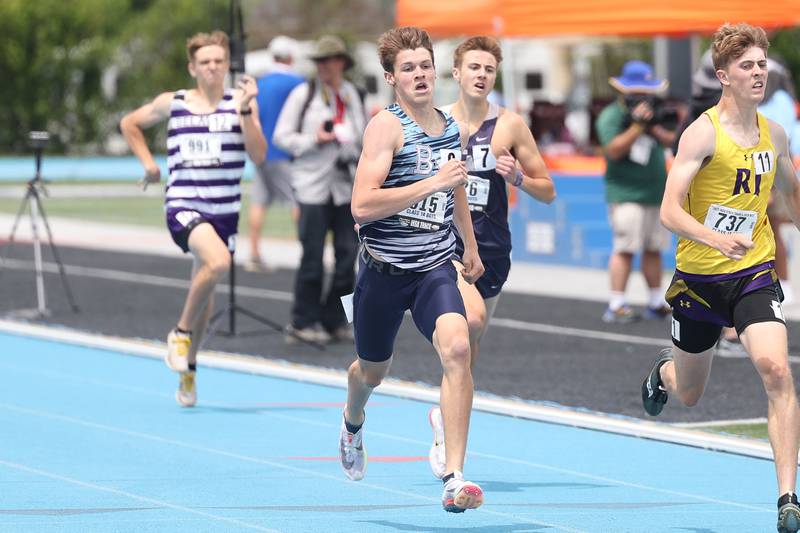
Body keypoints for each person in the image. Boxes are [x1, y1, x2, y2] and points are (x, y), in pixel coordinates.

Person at [640, 23, 800, 532]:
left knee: (776, 369)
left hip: (753, 273)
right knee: (689, 394)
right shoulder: (702, 132)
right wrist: (713, 239)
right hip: (700, 282)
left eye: (761, 65)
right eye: (746, 66)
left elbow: (791, 196)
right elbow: (668, 211)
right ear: (723, 75)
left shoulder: (775, 134)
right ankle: (661, 372)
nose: (757, 74)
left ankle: (787, 499)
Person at [338, 26, 485, 513]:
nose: (419, 74)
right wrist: (428, 184)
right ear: (391, 78)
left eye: (425, 65)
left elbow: (456, 185)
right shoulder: (386, 126)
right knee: (372, 372)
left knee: (459, 347)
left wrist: (469, 243)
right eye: (408, 68)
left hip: (434, 266)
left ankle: (454, 476)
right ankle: (353, 419)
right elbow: (361, 205)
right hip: (383, 271)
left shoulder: (451, 127)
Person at [426, 36, 556, 479]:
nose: (481, 75)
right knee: (468, 328)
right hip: (447, 246)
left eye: (489, 70)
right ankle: (450, 443)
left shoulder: (511, 126)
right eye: (474, 67)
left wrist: (518, 176)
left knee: (470, 348)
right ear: (457, 73)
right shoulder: (436, 121)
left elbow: (548, 190)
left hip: (494, 251)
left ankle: (445, 416)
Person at [120, 31, 267, 407]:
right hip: (184, 204)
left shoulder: (240, 102)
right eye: (205, 62)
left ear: (227, 64)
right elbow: (129, 124)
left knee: (209, 298)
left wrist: (248, 109)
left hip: (224, 212)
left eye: (219, 60)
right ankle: (180, 334)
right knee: (218, 262)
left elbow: (259, 154)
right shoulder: (175, 103)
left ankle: (189, 369)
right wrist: (150, 165)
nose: (213, 67)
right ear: (193, 67)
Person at [273, 35, 367, 344]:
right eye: (319, 61)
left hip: (344, 186)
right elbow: (281, 137)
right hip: (311, 187)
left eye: (328, 61)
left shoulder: (352, 94)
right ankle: (302, 321)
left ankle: (337, 320)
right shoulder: (304, 94)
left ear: (341, 62)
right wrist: (315, 140)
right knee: (312, 258)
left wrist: (350, 146)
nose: (323, 67)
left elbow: (363, 136)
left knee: (347, 259)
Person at [596, 60, 676, 322]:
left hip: (655, 192)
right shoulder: (612, 116)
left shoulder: (656, 113)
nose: (644, 98)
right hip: (625, 193)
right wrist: (637, 126)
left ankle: (655, 301)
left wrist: (652, 124)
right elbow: (614, 150)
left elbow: (673, 140)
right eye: (638, 93)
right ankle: (617, 302)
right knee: (625, 247)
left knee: (653, 247)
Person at [245, 36, 304, 272]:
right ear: (291, 56)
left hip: (261, 151)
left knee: (259, 201)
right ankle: (307, 251)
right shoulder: (297, 82)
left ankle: (254, 251)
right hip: (285, 152)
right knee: (297, 201)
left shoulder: (260, 83)